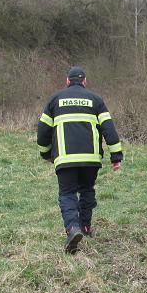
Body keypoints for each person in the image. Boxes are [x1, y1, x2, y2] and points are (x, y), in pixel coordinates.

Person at [37, 67, 123, 253]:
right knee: (86, 190)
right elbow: (109, 129)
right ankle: (85, 227)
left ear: (67, 81)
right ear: (85, 81)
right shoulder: (95, 100)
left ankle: (72, 228)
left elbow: (43, 130)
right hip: (90, 159)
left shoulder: (55, 99)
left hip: (65, 159)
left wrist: (46, 153)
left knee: (67, 194)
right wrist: (116, 156)